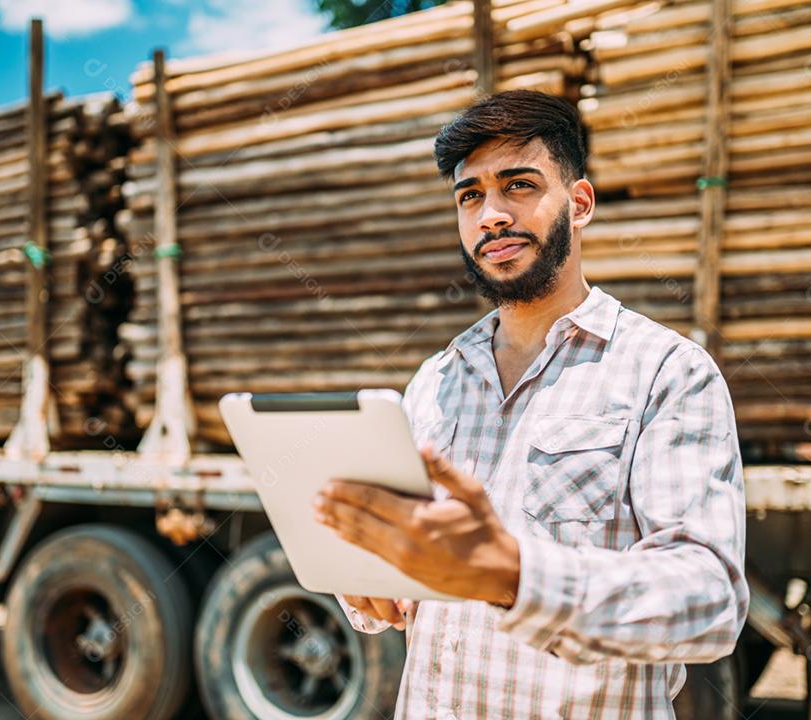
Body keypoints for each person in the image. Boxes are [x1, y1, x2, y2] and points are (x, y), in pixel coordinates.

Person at [312, 89, 748, 719]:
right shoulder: (434, 381)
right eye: (470, 195)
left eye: (518, 185)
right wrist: (372, 583)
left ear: (579, 203)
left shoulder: (668, 374)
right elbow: (406, 572)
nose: (490, 215)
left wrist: (513, 576)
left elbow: (710, 605)